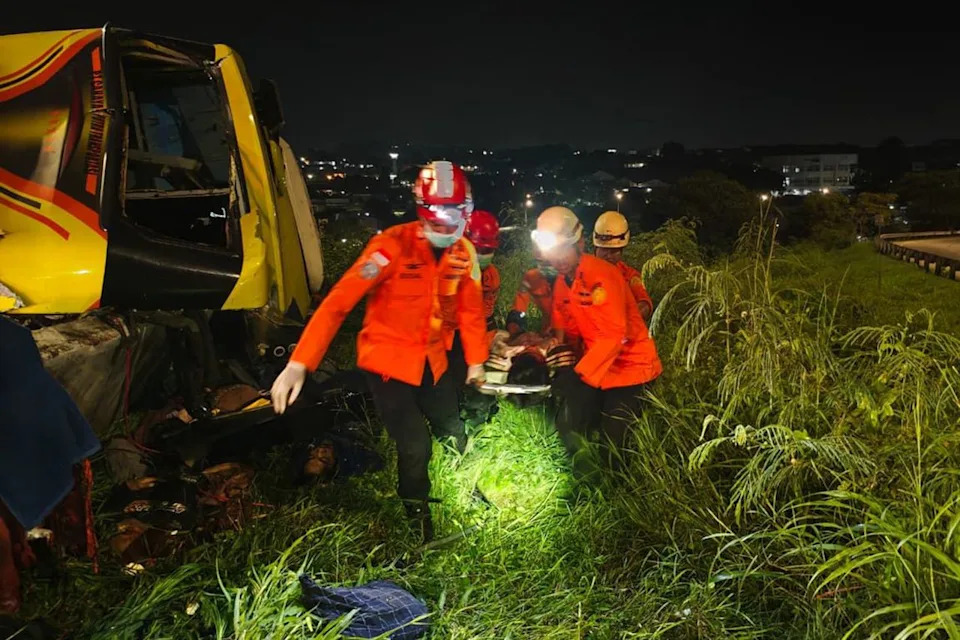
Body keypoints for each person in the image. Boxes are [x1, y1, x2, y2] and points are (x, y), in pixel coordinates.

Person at [270, 161, 489, 540]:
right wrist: (299, 363)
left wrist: (476, 361)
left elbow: (469, 310)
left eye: (456, 215)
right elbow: (339, 302)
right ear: (423, 211)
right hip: (388, 365)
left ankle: (469, 485)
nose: (448, 225)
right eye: (441, 216)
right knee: (415, 446)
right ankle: (418, 519)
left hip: (432, 362)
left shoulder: (461, 254)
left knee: (453, 429)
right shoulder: (389, 249)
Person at [531, 206, 662, 473]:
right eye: (553, 253)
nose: (558, 259)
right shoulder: (563, 282)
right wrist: (546, 353)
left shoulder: (603, 275)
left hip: (630, 370)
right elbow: (565, 329)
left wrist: (578, 376)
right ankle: (585, 479)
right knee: (568, 424)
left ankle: (616, 493)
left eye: (563, 251)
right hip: (597, 368)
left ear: (579, 243)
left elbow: (614, 336)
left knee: (614, 443)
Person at [592, 211, 653, 322]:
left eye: (614, 251)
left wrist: (627, 319)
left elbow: (645, 303)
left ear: (622, 251)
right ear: (596, 247)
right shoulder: (581, 272)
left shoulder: (629, 276)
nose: (608, 255)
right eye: (604, 249)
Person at [506, 246, 557, 336]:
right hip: (548, 333)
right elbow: (519, 306)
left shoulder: (574, 275)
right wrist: (515, 325)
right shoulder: (531, 277)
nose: (545, 266)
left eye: (548, 263)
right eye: (541, 262)